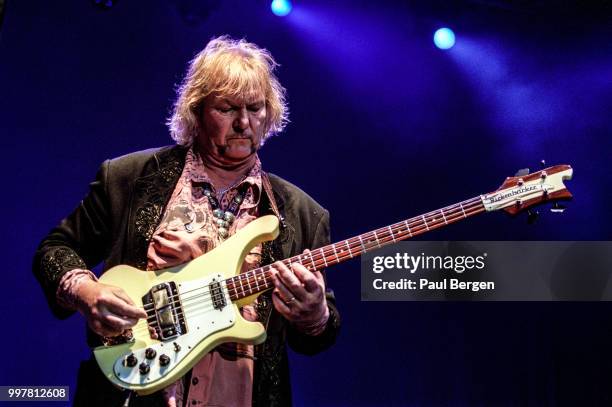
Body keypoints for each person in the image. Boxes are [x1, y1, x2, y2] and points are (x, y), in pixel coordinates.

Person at [32, 36, 340, 407]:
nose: (244, 122)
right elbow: (55, 248)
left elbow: (316, 338)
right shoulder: (130, 178)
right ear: (197, 111)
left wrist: (315, 314)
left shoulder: (302, 214)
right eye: (227, 108)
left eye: (256, 108)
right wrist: (86, 292)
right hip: (134, 389)